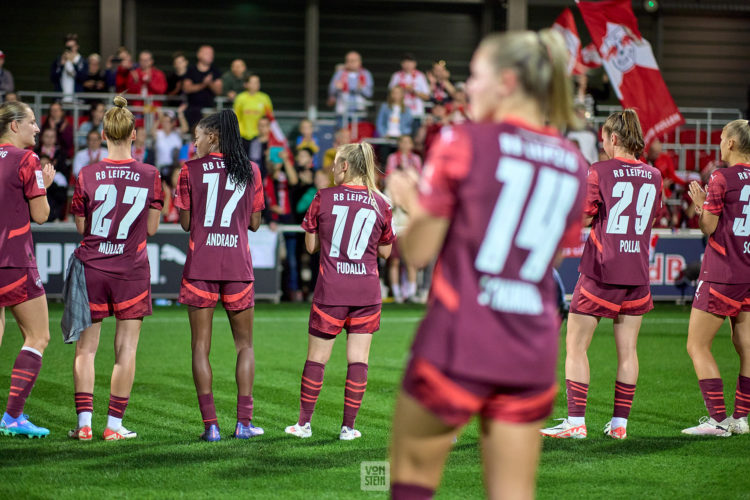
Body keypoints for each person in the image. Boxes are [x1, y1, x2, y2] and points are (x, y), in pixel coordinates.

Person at [386, 30, 587, 499]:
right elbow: (541, 259)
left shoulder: (464, 140)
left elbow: (416, 253)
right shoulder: (573, 163)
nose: (467, 89)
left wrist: (408, 201)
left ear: (506, 81)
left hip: (461, 338)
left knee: (411, 481)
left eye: (475, 77)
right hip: (531, 347)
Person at [541, 109, 662, 441]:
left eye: (605, 138)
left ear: (614, 138)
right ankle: (619, 425)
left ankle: (576, 422)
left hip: (601, 269)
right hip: (637, 271)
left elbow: (581, 217)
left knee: (576, 346)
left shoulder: (599, 171)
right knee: (628, 351)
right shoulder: (654, 174)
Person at [66, 96, 164, 441]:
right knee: (126, 350)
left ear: (104, 133)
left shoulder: (87, 173)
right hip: (130, 269)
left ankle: (84, 425)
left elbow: (81, 228)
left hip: (92, 266)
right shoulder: (150, 174)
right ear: (134, 134)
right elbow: (152, 229)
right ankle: (114, 427)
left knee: (86, 349)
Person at [285, 141, 395, 440]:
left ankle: (304, 424)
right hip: (367, 292)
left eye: (335, 164)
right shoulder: (381, 202)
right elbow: (385, 252)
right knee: (358, 359)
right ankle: (348, 427)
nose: (333, 168)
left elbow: (310, 246)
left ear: (345, 166)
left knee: (317, 358)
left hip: (332, 290)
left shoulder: (324, 197)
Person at [174, 109, 265, 441]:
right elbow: (254, 224)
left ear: (212, 137)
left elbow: (185, 223)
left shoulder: (189, 171)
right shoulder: (251, 170)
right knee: (245, 346)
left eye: (197, 136)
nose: (194, 142)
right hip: (238, 266)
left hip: (201, 265)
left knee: (200, 347)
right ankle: (244, 424)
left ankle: (211, 426)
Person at [682, 119, 750, 436]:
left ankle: (719, 421)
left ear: (732, 144)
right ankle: (739, 418)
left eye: (722, 138)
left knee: (697, 345)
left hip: (723, 272)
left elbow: (708, 227)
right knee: (746, 347)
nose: (719, 143)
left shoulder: (722, 177)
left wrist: (700, 205)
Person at [0, 101, 55, 438]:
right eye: (32, 122)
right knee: (38, 336)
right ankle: (12, 417)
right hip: (15, 260)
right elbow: (41, 215)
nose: (37, 128)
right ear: (14, 126)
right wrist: (44, 185)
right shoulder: (27, 160)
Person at [327, 52, 373, 127]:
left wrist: (362, 88)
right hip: (342, 112)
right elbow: (331, 91)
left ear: (359, 62)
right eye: (349, 61)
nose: (351, 63)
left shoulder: (365, 74)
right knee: (342, 136)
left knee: (358, 137)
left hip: (359, 113)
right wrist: (337, 88)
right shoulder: (340, 73)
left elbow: (369, 94)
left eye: (353, 61)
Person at [183, 45, 223, 128]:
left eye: (212, 53)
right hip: (193, 109)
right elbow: (186, 88)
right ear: (199, 55)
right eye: (207, 53)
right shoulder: (191, 70)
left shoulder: (215, 71)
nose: (211, 56)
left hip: (209, 109)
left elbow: (219, 91)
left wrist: (210, 83)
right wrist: (203, 85)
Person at [388, 53, 430, 128]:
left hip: (416, 114)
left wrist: (413, 91)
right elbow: (390, 94)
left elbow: (427, 96)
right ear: (401, 64)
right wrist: (401, 90)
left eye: (410, 62)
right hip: (400, 113)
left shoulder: (420, 76)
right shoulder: (396, 76)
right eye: (405, 62)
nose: (408, 65)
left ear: (415, 64)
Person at [233, 74, 273, 148]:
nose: (256, 85)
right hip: (243, 135)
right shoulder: (240, 98)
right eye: (253, 82)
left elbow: (269, 117)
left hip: (260, 135)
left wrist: (266, 133)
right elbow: (236, 116)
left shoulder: (265, 98)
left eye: (257, 82)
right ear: (246, 84)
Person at [50, 34, 87, 98]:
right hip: (61, 99)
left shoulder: (82, 61)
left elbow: (83, 78)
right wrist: (61, 65)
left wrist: (74, 64)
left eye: (71, 47)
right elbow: (53, 79)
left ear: (77, 46)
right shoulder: (58, 60)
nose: (70, 50)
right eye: (67, 47)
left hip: (76, 99)